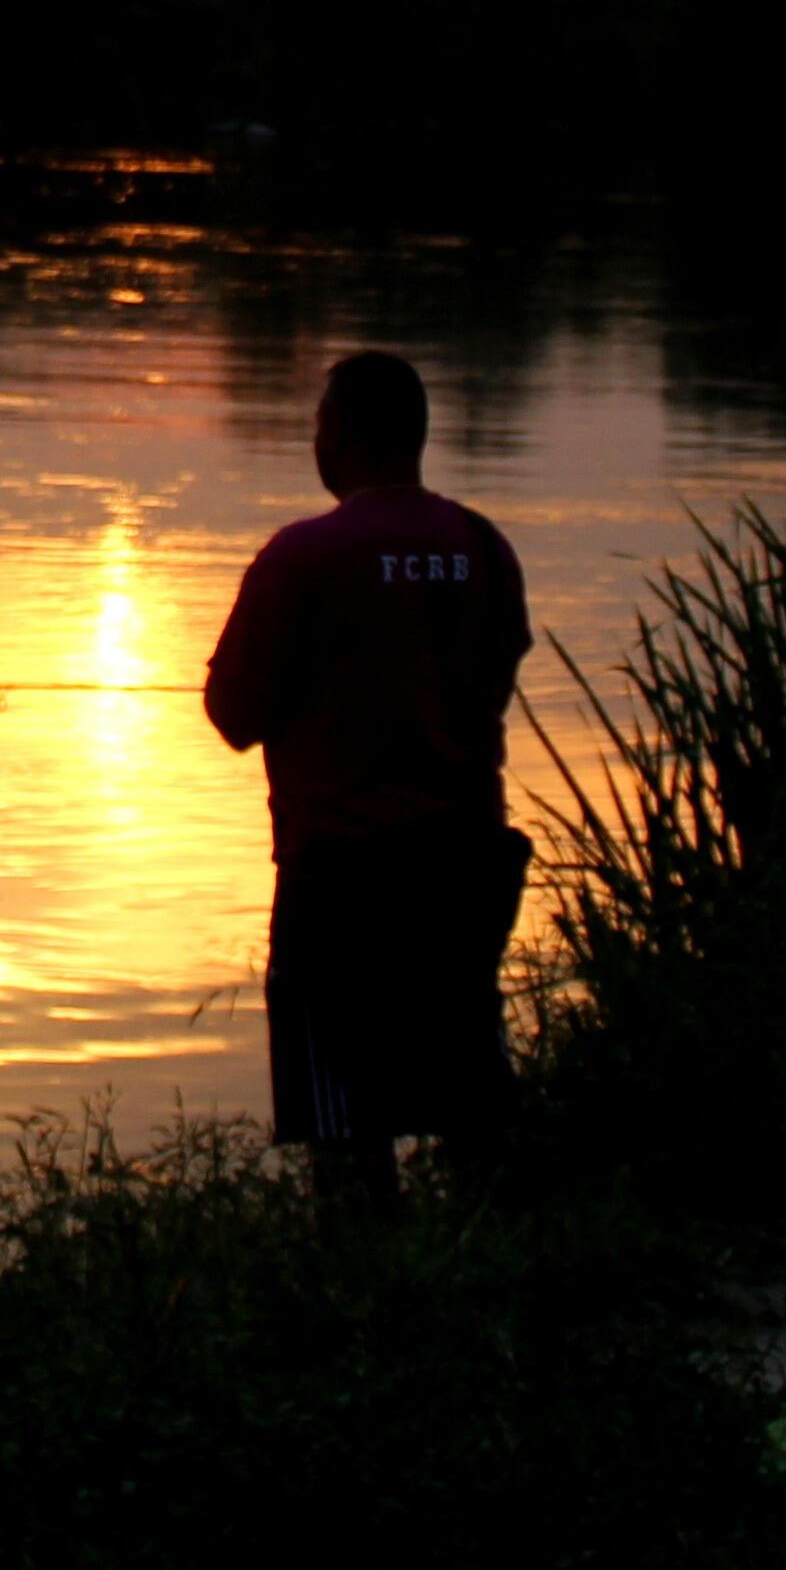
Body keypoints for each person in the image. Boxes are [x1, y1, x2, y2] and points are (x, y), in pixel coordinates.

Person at [202, 349, 534, 1205]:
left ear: (342, 434)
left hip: (342, 877)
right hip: (465, 871)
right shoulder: (483, 545)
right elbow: (493, 686)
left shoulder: (301, 557)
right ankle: (503, 1266)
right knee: (471, 1098)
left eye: (318, 422)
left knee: (344, 1121)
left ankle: (369, 1298)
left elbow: (233, 715)